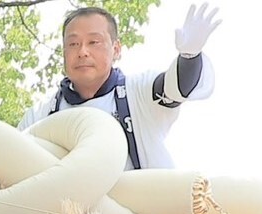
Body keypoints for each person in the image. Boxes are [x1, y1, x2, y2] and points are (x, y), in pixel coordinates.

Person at [19, 4, 219, 170]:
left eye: (93, 42)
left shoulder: (139, 92)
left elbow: (176, 88)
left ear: (116, 49)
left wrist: (190, 56)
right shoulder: (39, 115)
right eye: (73, 44)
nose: (82, 52)